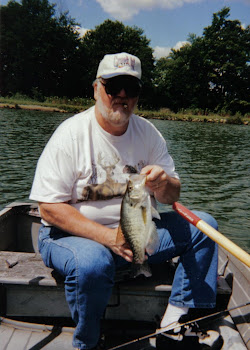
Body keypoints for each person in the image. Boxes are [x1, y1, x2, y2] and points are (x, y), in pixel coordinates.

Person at [30, 52, 218, 350]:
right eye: (113, 86)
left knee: (206, 226)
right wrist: (108, 237)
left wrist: (164, 183)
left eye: (130, 89)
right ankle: (86, 343)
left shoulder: (148, 133)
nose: (121, 96)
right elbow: (48, 209)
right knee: (93, 261)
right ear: (96, 89)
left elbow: (172, 196)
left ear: (138, 96)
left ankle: (175, 320)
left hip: (136, 236)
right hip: (69, 237)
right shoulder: (70, 135)